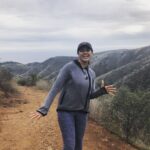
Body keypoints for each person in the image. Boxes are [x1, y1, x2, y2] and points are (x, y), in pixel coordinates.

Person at [30, 42, 116, 150]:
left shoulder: (92, 73)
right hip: (66, 112)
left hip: (82, 114)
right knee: (70, 145)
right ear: (78, 53)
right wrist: (43, 109)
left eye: (88, 50)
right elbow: (55, 88)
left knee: (78, 145)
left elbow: (90, 95)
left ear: (92, 53)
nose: (85, 52)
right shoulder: (69, 67)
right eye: (82, 50)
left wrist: (102, 91)